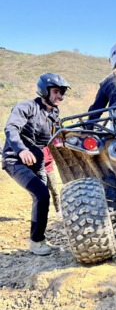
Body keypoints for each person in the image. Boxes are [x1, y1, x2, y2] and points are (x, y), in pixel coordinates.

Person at [2, 73, 70, 256]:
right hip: (15, 161)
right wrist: (21, 150)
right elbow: (11, 128)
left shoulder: (54, 113)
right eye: (56, 92)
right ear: (44, 90)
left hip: (37, 162)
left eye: (62, 93)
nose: (60, 97)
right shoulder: (26, 107)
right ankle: (36, 242)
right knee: (41, 194)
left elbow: (56, 136)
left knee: (43, 197)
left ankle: (39, 238)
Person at [43, 145, 61, 214]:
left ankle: (58, 210)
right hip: (37, 170)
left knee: (54, 190)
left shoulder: (46, 142)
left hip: (48, 169)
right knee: (42, 193)